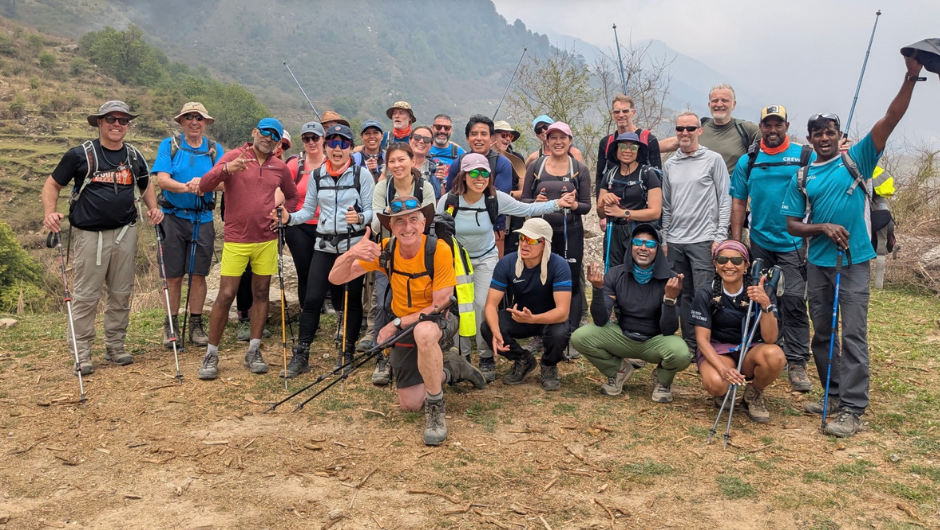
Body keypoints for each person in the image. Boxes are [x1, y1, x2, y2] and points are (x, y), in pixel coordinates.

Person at [781, 55, 926, 437]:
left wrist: (910, 77)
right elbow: (792, 224)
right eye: (817, 133)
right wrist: (822, 227)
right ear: (810, 138)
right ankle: (831, 394)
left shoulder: (857, 158)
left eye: (830, 132)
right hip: (818, 263)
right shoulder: (802, 176)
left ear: (839, 134)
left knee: (853, 334)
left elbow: (890, 119)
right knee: (823, 332)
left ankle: (852, 408)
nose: (824, 138)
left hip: (854, 261)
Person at [328, 199, 486, 446]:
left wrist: (395, 323)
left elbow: (440, 303)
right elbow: (336, 278)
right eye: (399, 221)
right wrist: (351, 254)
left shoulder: (439, 250)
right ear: (391, 227)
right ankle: (453, 369)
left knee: (424, 332)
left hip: (438, 320)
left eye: (413, 219)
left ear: (423, 224)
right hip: (403, 326)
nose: (407, 227)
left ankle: (435, 408)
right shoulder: (386, 251)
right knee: (410, 404)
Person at [41, 100, 163, 374]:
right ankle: (82, 353)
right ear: (99, 122)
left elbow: (146, 185)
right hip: (89, 235)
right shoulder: (80, 155)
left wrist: (154, 208)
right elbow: (52, 184)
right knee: (86, 296)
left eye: (123, 120)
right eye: (111, 119)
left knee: (121, 293)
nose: (117, 124)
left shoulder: (134, 156)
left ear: (128, 125)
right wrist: (50, 213)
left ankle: (115, 347)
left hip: (125, 232)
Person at [438, 153, 577, 382]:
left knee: (482, 305)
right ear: (463, 175)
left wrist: (557, 204)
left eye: (484, 173)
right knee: (461, 308)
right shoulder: (449, 201)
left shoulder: (494, 198)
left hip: (485, 258)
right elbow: (436, 229)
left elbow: (526, 209)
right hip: (457, 261)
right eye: (474, 172)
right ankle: (462, 356)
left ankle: (486, 357)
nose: (480, 177)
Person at [195, 118, 298, 379]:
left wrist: (283, 213)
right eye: (265, 132)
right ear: (254, 132)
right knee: (226, 293)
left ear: (278, 142)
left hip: (266, 238)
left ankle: (253, 350)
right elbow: (204, 185)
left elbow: (293, 195)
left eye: (274, 135)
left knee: (261, 292)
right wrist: (226, 169)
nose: (268, 138)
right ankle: (211, 353)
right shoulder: (234, 157)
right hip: (236, 239)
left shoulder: (279, 167)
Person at [276, 123, 375, 378]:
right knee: (312, 299)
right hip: (324, 246)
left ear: (351, 148)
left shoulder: (361, 175)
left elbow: (371, 212)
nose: (337, 148)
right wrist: (289, 218)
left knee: (351, 301)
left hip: (352, 247)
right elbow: (308, 211)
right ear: (326, 146)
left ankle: (346, 354)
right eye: (332, 142)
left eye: (343, 143)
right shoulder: (318, 175)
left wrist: (360, 218)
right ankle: (302, 354)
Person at [729, 105, 814, 393]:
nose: (773, 129)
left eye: (778, 124)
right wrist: (737, 241)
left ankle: (797, 361)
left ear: (787, 126)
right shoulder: (749, 160)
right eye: (768, 124)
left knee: (793, 300)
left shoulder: (804, 156)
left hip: (794, 242)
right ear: (761, 127)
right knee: (761, 299)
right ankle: (767, 350)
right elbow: (739, 201)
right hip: (760, 241)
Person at [571, 225, 690, 401]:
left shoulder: (671, 279)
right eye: (638, 242)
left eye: (650, 244)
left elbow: (668, 329)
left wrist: (670, 300)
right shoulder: (616, 274)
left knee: (681, 353)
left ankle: (662, 380)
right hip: (623, 336)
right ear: (631, 246)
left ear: (658, 249)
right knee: (580, 336)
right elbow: (601, 320)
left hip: (655, 341)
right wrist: (597, 289)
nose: (643, 248)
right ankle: (618, 370)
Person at [152, 102, 222, 350]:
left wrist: (203, 184)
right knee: (172, 276)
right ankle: (170, 325)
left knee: (198, 275)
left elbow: (225, 182)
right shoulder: (169, 145)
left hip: (202, 219)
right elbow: (162, 180)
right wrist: (190, 187)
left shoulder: (214, 149)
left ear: (205, 123)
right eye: (189, 117)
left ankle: (195, 324)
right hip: (172, 218)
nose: (194, 122)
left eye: (199, 118)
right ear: (181, 121)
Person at [366, 141, 437, 384]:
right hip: (389, 253)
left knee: (417, 304)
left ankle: (416, 351)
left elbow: (429, 220)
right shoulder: (382, 187)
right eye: (392, 161)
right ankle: (382, 356)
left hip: (418, 254)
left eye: (401, 160)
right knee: (384, 303)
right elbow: (376, 224)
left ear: (412, 161)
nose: (397, 165)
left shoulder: (425, 187)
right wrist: (390, 214)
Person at [692, 241, 785, 424]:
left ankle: (754, 393)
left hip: (751, 349)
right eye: (722, 260)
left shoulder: (761, 290)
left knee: (775, 355)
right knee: (716, 383)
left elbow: (770, 338)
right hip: (719, 349)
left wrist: (765, 304)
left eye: (736, 260)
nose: (729, 265)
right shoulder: (706, 292)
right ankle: (724, 391)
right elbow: (702, 340)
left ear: (746, 265)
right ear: (715, 263)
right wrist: (723, 369)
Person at [661, 111, 731, 352]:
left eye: (690, 128)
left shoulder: (713, 160)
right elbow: (667, 205)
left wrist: (720, 236)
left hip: (704, 239)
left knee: (704, 294)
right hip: (675, 240)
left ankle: (708, 345)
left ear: (699, 131)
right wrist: (665, 238)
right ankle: (691, 344)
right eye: (680, 128)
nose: (685, 133)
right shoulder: (670, 164)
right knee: (682, 294)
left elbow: (725, 198)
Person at [481, 219, 572, 390]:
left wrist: (533, 319)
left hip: (549, 318)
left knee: (559, 332)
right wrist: (495, 332)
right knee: (487, 326)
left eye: (531, 240)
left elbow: (563, 312)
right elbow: (491, 305)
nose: (524, 244)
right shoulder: (507, 263)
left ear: (545, 243)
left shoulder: (559, 265)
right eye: (522, 238)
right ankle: (523, 359)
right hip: (521, 316)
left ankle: (549, 364)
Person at [520, 122, 591, 333]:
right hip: (540, 235)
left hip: (570, 233)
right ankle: (541, 331)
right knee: (541, 279)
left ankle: (571, 331)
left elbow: (586, 206)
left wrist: (573, 204)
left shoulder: (579, 169)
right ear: (547, 140)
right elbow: (524, 200)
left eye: (562, 138)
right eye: (553, 138)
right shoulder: (536, 166)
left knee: (572, 282)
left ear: (570, 141)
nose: (558, 142)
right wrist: (535, 202)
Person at [443, 115, 515, 256]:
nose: (479, 138)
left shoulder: (502, 163)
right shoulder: (459, 163)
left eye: (484, 134)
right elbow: (450, 195)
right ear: (467, 138)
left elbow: (498, 198)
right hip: (460, 228)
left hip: (493, 228)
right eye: (474, 134)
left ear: (492, 138)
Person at [597, 132, 663, 269]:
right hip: (613, 233)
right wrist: (604, 201)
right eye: (622, 146)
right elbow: (601, 213)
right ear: (616, 150)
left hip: (639, 233)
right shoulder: (609, 175)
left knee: (637, 272)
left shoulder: (648, 174)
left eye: (633, 147)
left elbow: (655, 212)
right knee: (614, 273)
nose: (627, 150)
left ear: (638, 152)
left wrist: (623, 213)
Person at [660, 85, 760, 174]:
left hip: (731, 188)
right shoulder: (701, 127)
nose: (719, 104)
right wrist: (650, 146)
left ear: (734, 104)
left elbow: (768, 141)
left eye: (724, 100)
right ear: (709, 105)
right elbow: (673, 143)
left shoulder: (746, 129)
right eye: (715, 101)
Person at [284, 121, 328, 316]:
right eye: (306, 138)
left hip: (326, 226)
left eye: (315, 138)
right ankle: (308, 312)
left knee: (321, 271)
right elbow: (282, 191)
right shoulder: (295, 164)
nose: (311, 142)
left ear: (323, 139)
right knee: (304, 271)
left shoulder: (332, 163)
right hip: (299, 226)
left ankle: (319, 305)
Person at [595, 94, 662, 198]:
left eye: (625, 111)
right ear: (612, 114)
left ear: (633, 113)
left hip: (641, 203)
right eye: (617, 112)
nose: (621, 115)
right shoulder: (606, 142)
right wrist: (601, 204)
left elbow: (658, 177)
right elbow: (600, 177)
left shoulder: (648, 140)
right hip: (612, 201)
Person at [491, 120, 527, 254]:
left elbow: (524, 191)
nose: (507, 139)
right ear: (492, 135)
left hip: (512, 214)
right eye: (504, 135)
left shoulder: (517, 159)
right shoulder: (480, 158)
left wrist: (507, 196)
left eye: (510, 136)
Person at [428, 114, 465, 196]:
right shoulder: (425, 149)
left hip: (451, 196)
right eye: (438, 127)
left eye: (446, 128)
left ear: (451, 130)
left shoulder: (459, 152)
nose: (442, 131)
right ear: (432, 128)